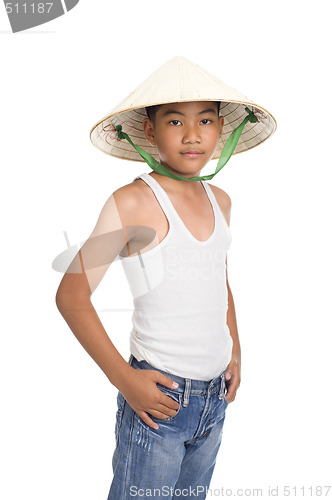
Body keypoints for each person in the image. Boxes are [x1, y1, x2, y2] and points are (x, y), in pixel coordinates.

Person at [56, 56, 277, 499]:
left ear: (220, 130)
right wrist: (125, 379)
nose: (193, 135)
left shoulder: (222, 201)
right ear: (150, 132)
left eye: (206, 120)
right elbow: (72, 295)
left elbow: (220, 281)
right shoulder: (132, 202)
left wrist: (234, 350)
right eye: (175, 121)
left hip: (214, 400)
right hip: (158, 400)